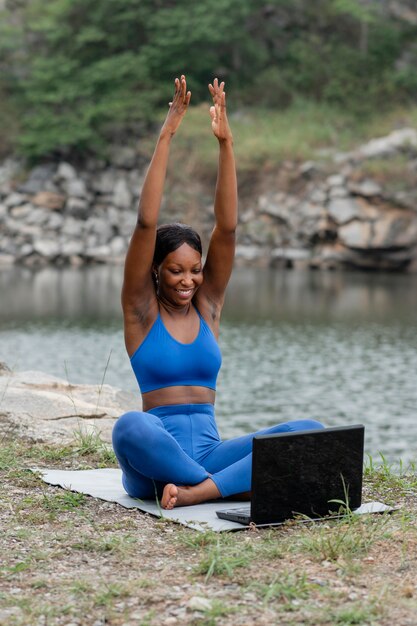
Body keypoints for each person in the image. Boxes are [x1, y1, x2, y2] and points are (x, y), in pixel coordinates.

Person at [112, 75, 323, 510]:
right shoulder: (140, 312)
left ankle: (198, 492)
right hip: (154, 463)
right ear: (156, 271)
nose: (188, 280)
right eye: (175, 271)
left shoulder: (208, 307)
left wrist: (226, 144)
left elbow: (226, 227)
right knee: (130, 426)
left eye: (195, 270)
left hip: (211, 451)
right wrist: (167, 134)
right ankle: (222, 486)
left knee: (308, 430)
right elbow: (144, 225)